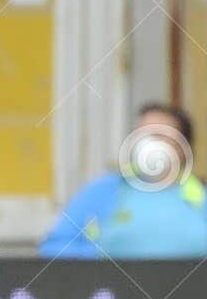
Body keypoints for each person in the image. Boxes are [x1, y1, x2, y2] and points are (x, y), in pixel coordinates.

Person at [41, 103, 206, 259]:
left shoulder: (200, 195)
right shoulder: (105, 190)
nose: (146, 142)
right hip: (114, 287)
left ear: (182, 148)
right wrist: (100, 255)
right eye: (140, 134)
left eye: (157, 135)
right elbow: (54, 247)